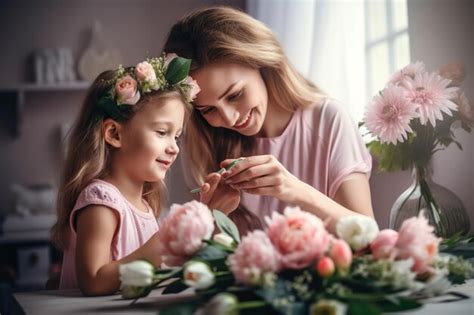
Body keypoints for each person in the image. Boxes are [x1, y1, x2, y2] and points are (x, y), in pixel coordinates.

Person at [163, 6, 374, 234]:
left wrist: (293, 189)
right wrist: (213, 217)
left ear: (261, 63)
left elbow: (370, 236)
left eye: (235, 95)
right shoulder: (207, 142)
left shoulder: (328, 119)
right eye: (208, 110)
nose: (229, 118)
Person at [50, 54, 200, 295]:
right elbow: (94, 281)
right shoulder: (101, 200)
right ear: (114, 134)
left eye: (177, 136)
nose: (174, 147)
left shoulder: (145, 205)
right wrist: (164, 240)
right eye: (162, 132)